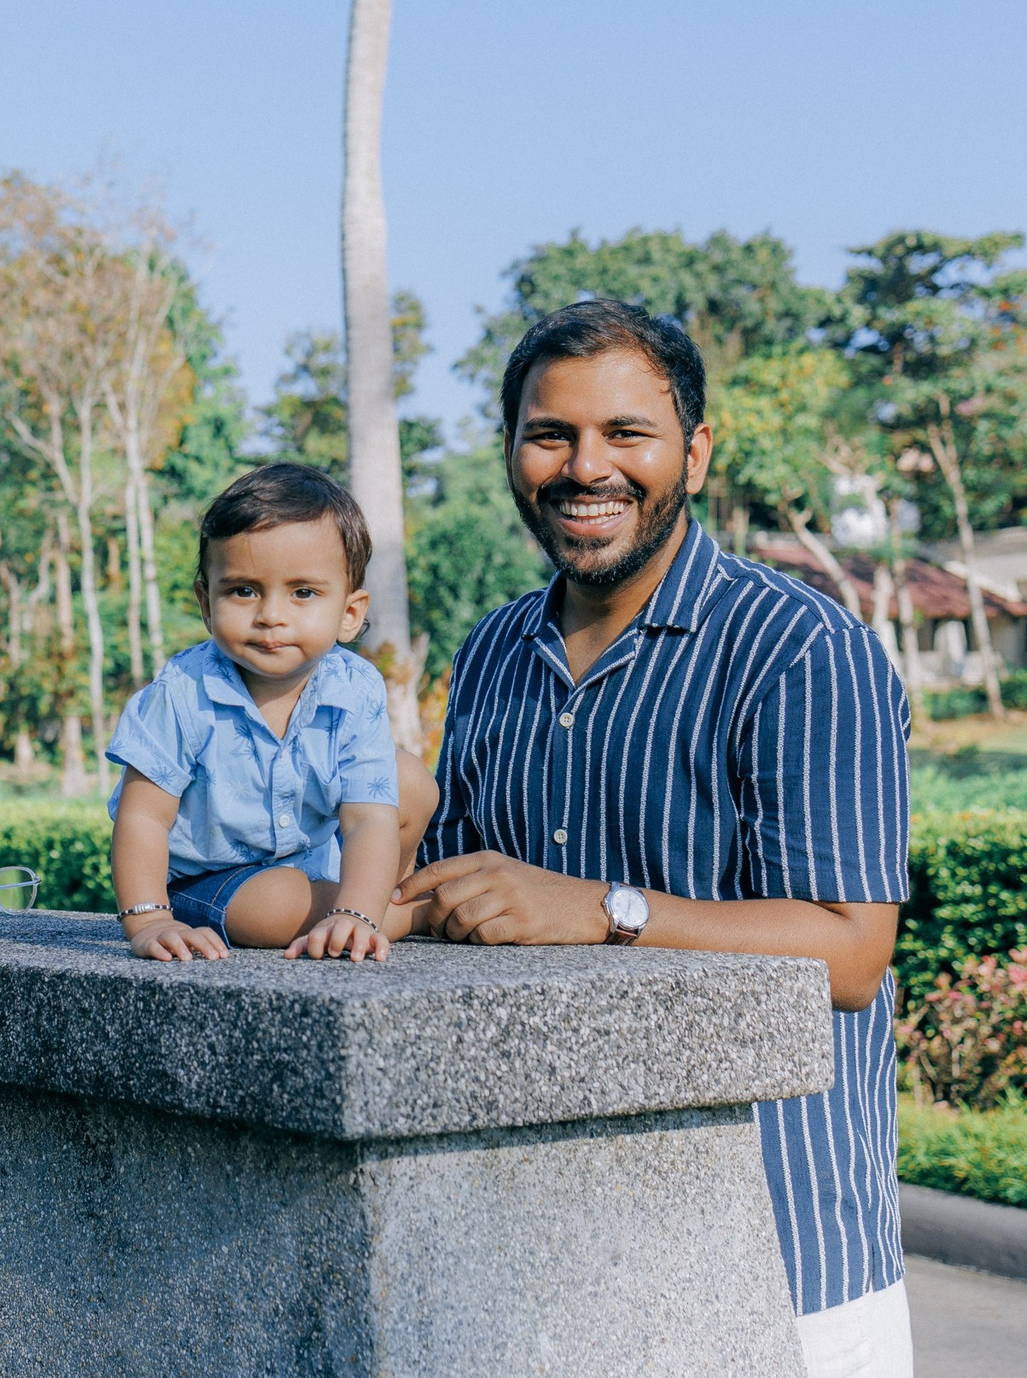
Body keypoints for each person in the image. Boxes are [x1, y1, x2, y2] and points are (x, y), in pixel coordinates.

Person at [399, 299, 912, 1378]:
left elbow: (851, 952)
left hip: (778, 1261)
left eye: (625, 433)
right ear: (511, 452)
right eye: (551, 434)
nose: (586, 467)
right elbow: (453, 897)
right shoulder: (493, 650)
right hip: (542, 1262)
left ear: (695, 452)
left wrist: (600, 909)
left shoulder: (800, 648)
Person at [105, 462, 440, 963]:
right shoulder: (183, 692)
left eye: (303, 592)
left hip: (314, 861)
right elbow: (143, 817)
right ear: (207, 603)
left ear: (350, 613)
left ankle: (362, 910)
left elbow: (368, 819)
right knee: (283, 904)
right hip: (210, 881)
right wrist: (150, 920)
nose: (270, 616)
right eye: (243, 590)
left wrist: (356, 909)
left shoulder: (355, 687)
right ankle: (416, 913)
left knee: (410, 780)